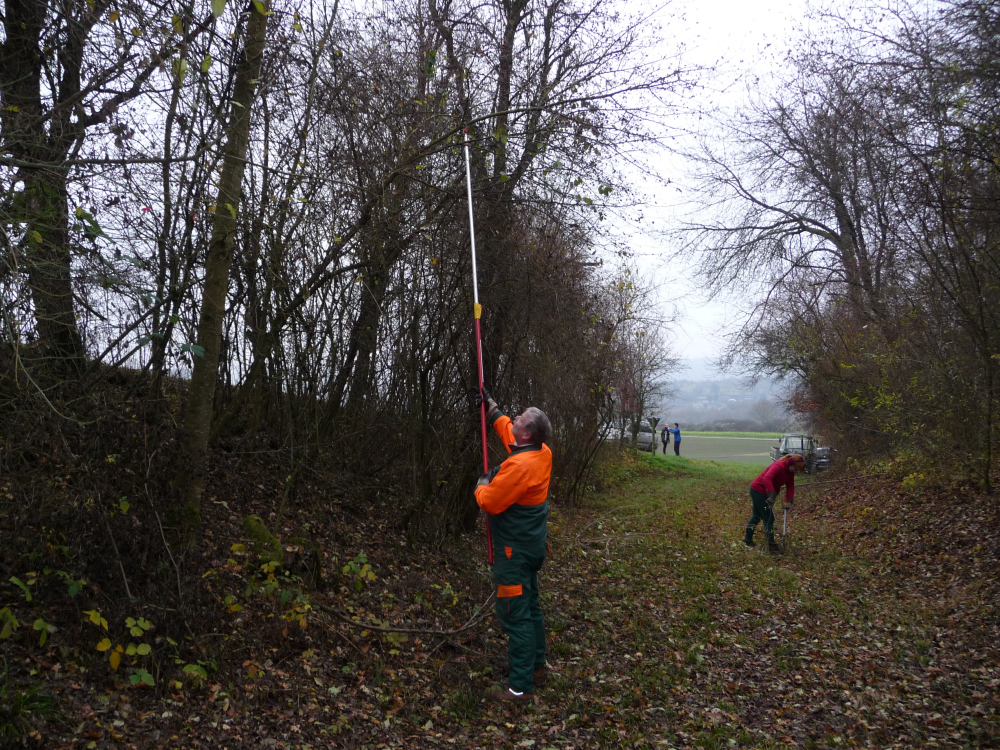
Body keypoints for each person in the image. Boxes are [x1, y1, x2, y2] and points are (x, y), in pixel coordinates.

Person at [474, 387, 552, 704]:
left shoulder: (520, 468)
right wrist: (492, 410)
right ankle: (537, 668)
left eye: (520, 418)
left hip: (514, 553)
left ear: (528, 433)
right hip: (531, 549)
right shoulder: (540, 452)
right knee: (531, 608)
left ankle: (520, 689)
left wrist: (481, 485)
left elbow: (490, 502)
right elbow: (509, 433)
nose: (515, 419)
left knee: (515, 616)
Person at [745, 453, 805, 552]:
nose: (796, 471)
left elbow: (790, 487)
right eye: (796, 469)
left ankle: (748, 540)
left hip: (766, 492)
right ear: (791, 464)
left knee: (757, 516)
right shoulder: (778, 466)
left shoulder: (790, 473)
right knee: (768, 517)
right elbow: (767, 478)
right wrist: (772, 495)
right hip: (758, 490)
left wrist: (788, 501)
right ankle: (772, 546)